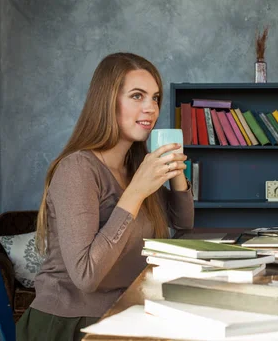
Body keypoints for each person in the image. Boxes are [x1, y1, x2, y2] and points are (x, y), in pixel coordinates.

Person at [16, 52, 194, 341]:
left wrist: (176, 174)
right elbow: (86, 276)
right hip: (70, 324)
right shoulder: (77, 169)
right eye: (137, 96)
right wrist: (135, 192)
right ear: (107, 102)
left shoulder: (133, 166)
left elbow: (184, 226)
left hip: (125, 312)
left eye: (155, 98)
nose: (151, 107)